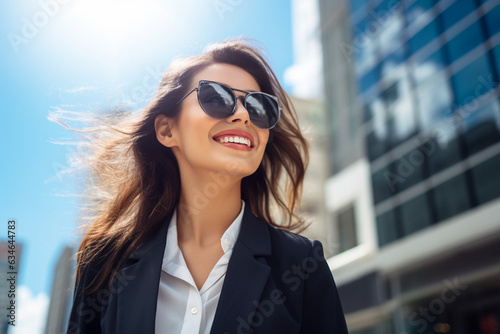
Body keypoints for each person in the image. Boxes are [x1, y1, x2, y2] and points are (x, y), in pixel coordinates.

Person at [66, 39, 348, 334]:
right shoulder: (105, 260)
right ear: (167, 130)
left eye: (259, 107)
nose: (243, 115)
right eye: (215, 98)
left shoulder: (302, 265)